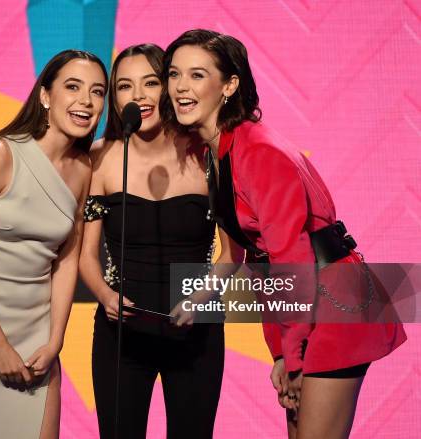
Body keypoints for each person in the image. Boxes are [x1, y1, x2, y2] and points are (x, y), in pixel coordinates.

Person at [161, 29, 407, 439]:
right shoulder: (217, 152)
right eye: (174, 74)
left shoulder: (257, 153)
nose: (181, 87)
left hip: (335, 305)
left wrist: (294, 356)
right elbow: (239, 257)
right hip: (306, 308)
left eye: (197, 75)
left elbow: (290, 259)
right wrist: (198, 303)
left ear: (230, 84)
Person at [0, 49, 107, 439]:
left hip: (36, 336)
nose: (85, 101)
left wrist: (55, 340)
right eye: (73, 87)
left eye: (97, 92)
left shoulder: (83, 170)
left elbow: (66, 261)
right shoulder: (0, 155)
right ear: (45, 95)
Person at [79, 44, 239, 439]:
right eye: (124, 86)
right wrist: (104, 295)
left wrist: (200, 298)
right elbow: (85, 256)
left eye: (150, 82)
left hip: (195, 330)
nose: (138, 96)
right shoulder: (100, 159)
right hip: (123, 335)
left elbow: (234, 252)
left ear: (168, 87)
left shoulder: (208, 156)